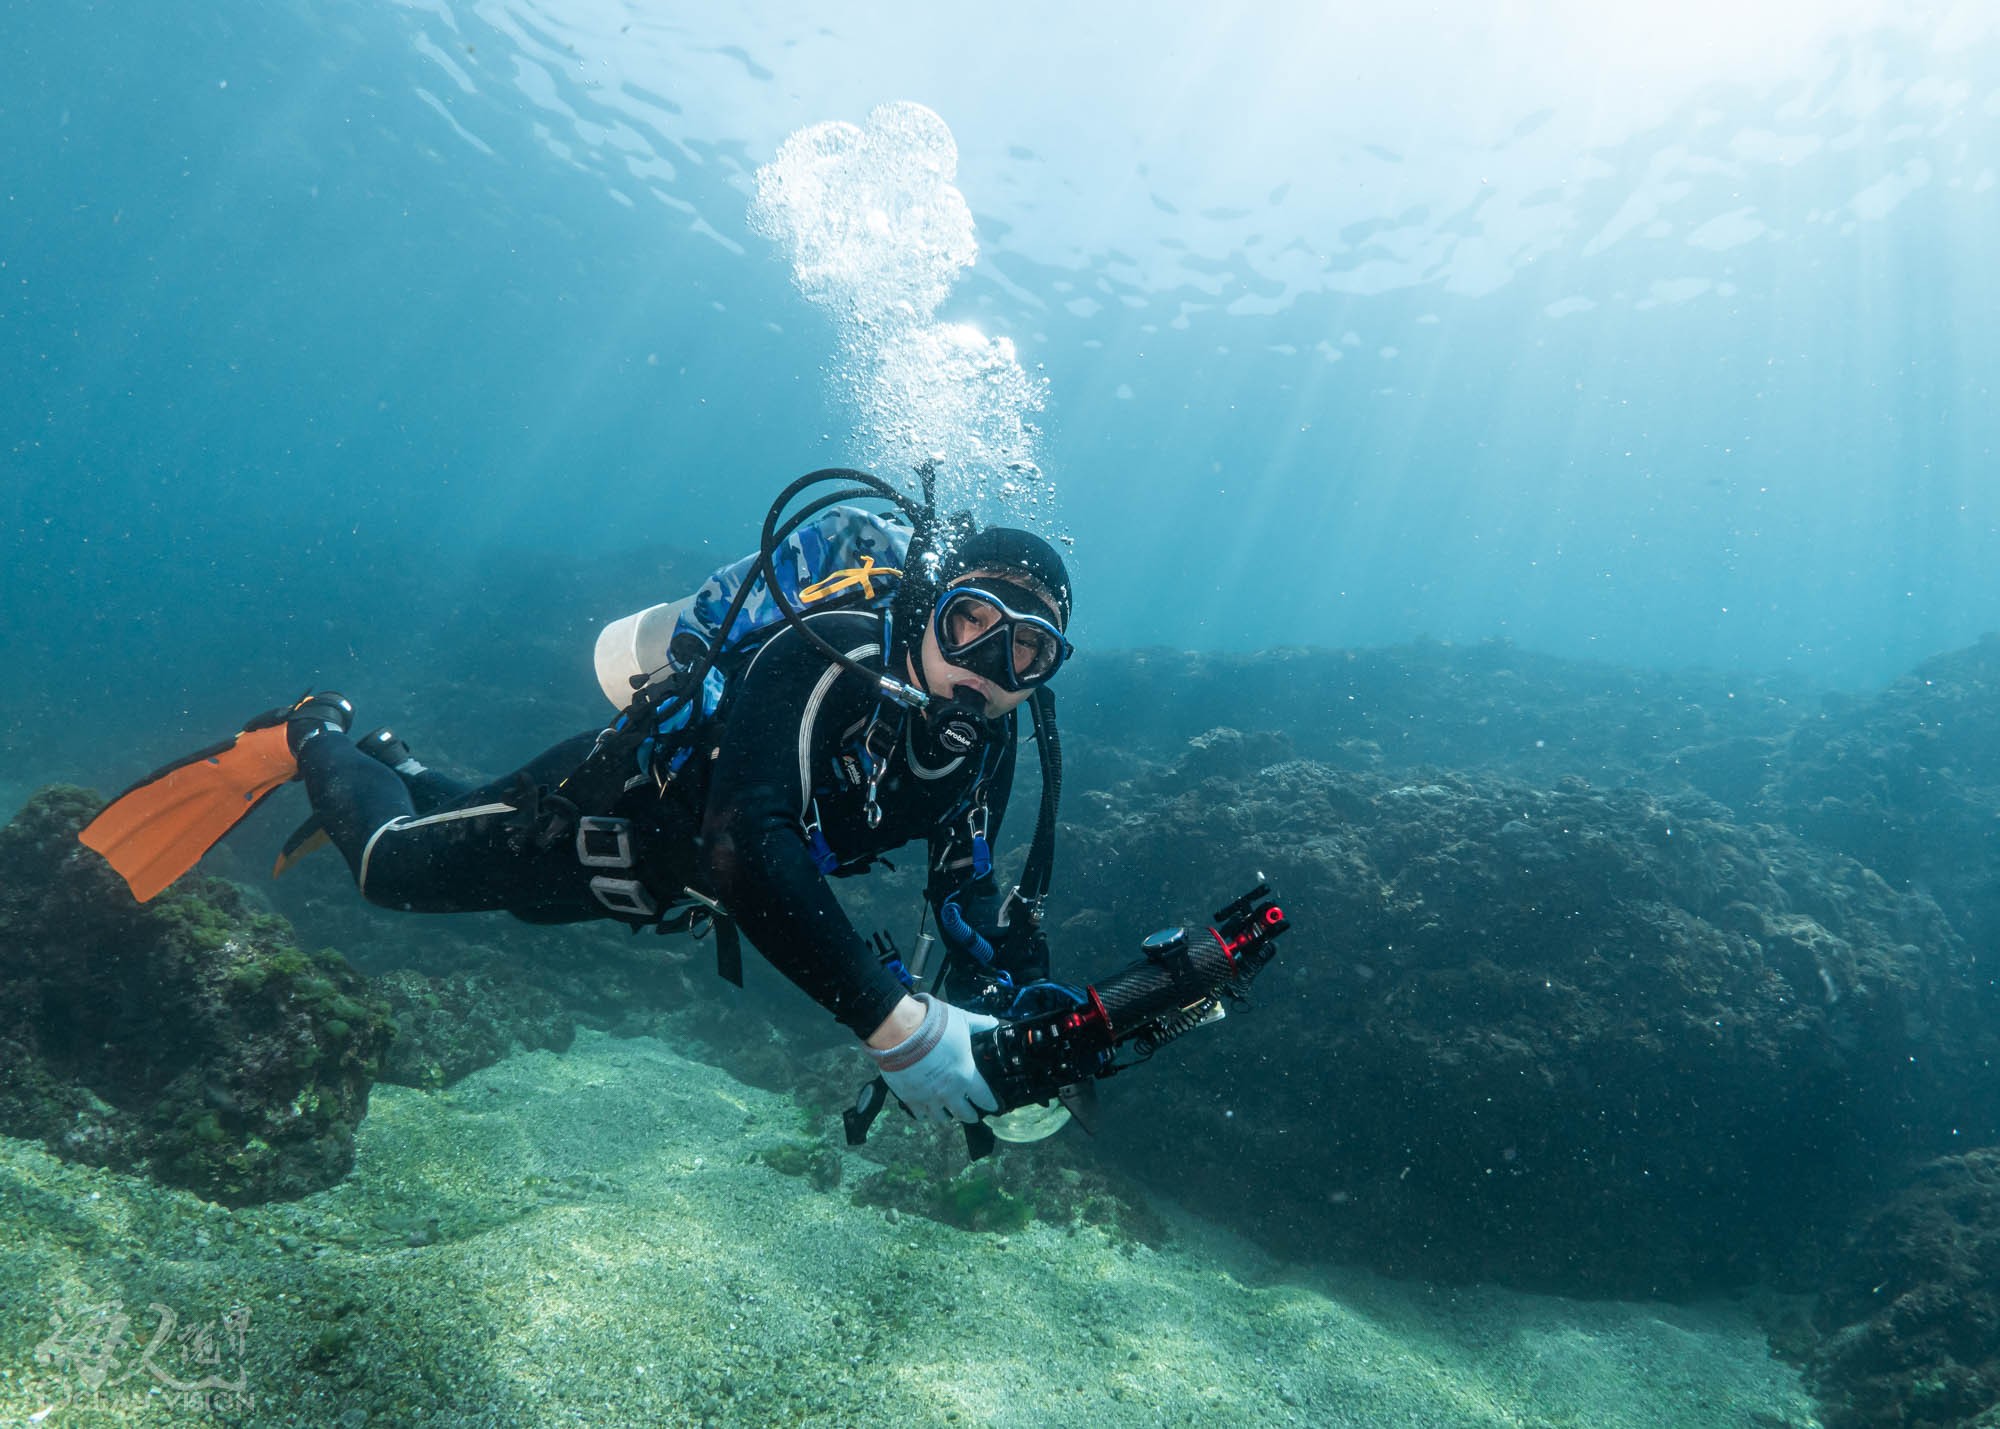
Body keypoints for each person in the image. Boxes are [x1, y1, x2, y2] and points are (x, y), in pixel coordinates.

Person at [83, 519, 1074, 1128]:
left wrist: (1010, 991)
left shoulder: (987, 739)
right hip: (593, 817)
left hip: (642, 890)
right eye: (971, 622)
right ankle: (310, 729)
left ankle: (393, 758)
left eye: (1026, 651)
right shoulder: (829, 654)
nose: (988, 665)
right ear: (932, 607)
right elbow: (746, 842)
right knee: (390, 869)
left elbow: (963, 888)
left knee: (475, 841)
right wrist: (893, 1023)